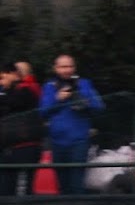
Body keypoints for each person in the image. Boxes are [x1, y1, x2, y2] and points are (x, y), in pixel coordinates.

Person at [37, 53, 105, 195]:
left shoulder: (84, 83)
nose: (66, 70)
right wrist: (57, 98)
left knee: (76, 183)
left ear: (74, 68)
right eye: (63, 67)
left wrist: (83, 100)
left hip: (79, 140)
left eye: (69, 66)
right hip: (57, 141)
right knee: (62, 184)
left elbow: (99, 106)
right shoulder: (49, 86)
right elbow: (42, 111)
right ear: (56, 68)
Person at [0, 62, 41, 197]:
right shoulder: (9, 92)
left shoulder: (28, 90)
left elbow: (15, 102)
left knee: (23, 189)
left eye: (2, 77)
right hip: (8, 147)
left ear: (14, 75)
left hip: (25, 146)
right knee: (6, 188)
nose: (1, 82)